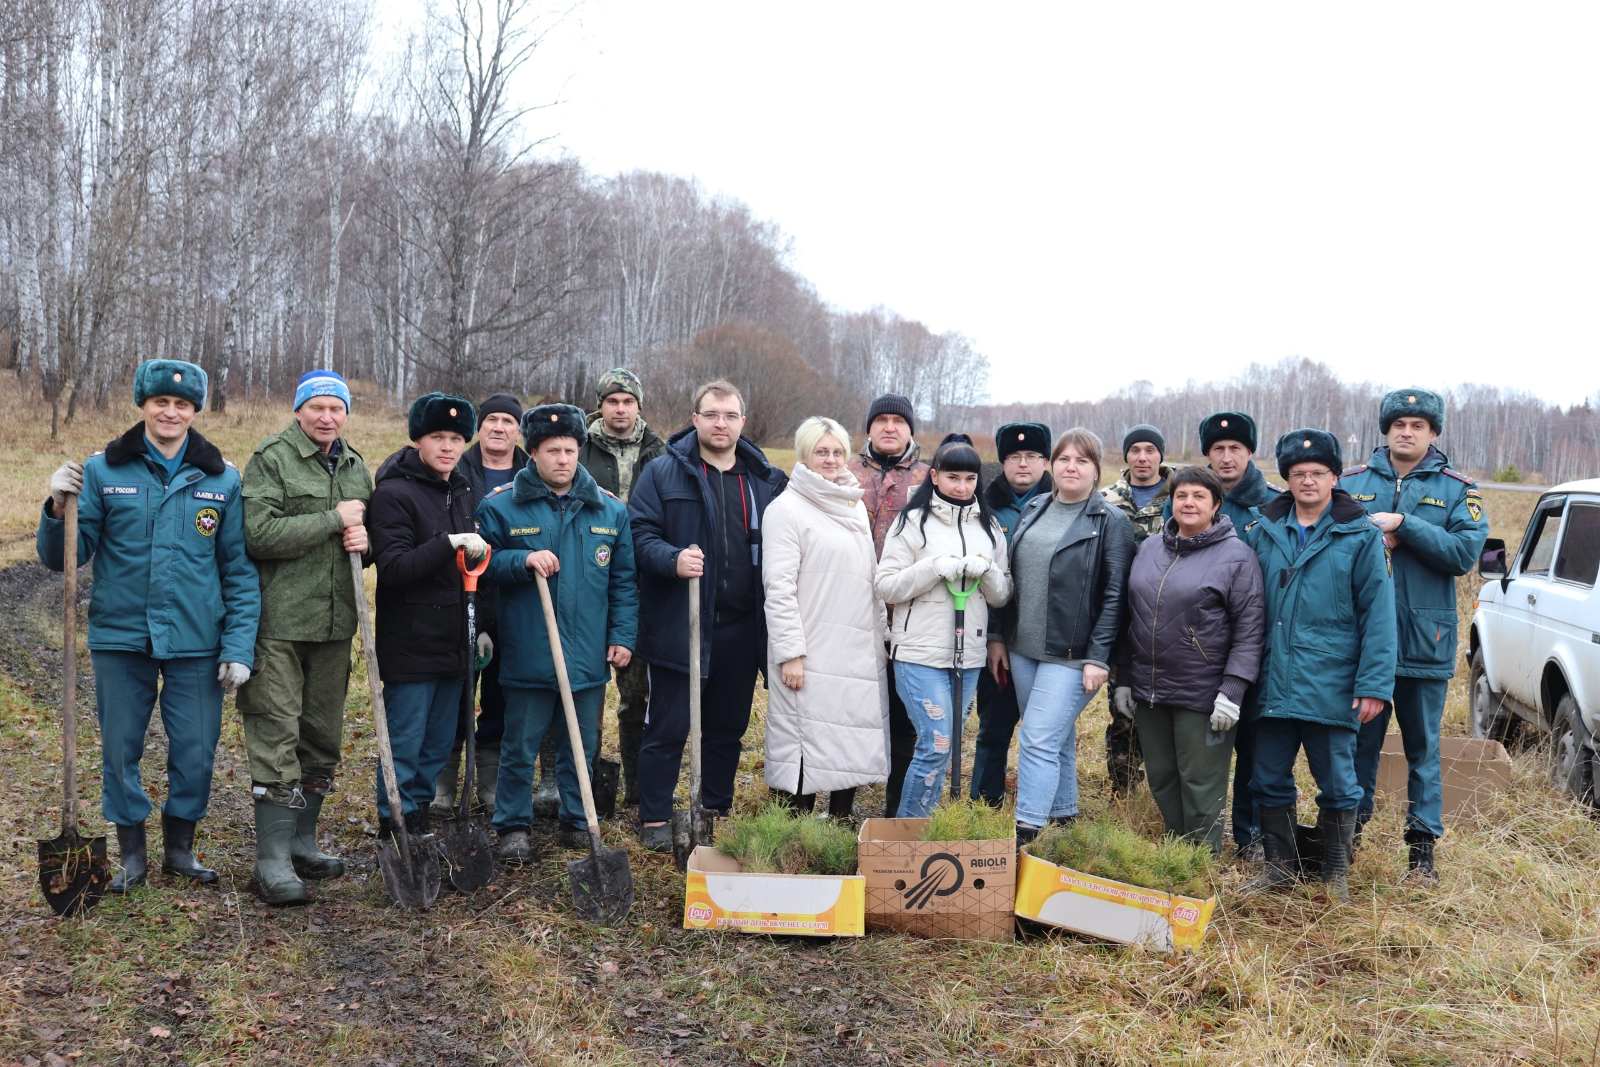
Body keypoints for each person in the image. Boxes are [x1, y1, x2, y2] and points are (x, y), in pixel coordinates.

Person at [38, 359, 259, 893]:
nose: (170, 411)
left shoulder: (221, 478)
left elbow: (239, 572)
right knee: (119, 747)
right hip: (121, 637)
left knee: (196, 748)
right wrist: (55, 506)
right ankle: (132, 854)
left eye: (182, 404)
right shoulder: (103, 471)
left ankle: (179, 850)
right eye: (161, 402)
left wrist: (239, 647)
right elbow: (63, 557)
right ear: (143, 405)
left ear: (194, 412)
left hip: (195, 640)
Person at [629, 380, 786, 851]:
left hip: (742, 626)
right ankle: (655, 815)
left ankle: (713, 808)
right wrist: (671, 559)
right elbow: (638, 534)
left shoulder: (765, 479)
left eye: (730, 415)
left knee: (727, 727)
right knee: (669, 725)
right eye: (712, 414)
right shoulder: (662, 473)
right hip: (682, 622)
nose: (721, 423)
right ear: (694, 418)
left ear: (743, 421)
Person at [1240, 429, 1397, 901]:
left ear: (1334, 477)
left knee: (1339, 783)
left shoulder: (1360, 535)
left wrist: (1373, 685)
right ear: (1286, 479)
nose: (1308, 481)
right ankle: (1279, 869)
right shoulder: (1263, 531)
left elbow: (1379, 616)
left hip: (1333, 682)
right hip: (1272, 680)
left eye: (1318, 473)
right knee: (1267, 777)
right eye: (1298, 474)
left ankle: (1335, 874)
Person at [477, 404, 637, 860]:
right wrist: (520, 561)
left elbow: (624, 582)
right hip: (529, 650)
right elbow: (480, 565)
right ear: (533, 453)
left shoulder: (609, 510)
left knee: (581, 743)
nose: (563, 459)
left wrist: (623, 636)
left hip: (586, 653)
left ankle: (575, 815)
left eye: (570, 450)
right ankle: (512, 824)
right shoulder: (502, 507)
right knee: (520, 744)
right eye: (553, 451)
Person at [237, 369, 373, 906]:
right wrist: (330, 519)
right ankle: (270, 860)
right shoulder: (272, 459)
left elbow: (363, 540)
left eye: (335, 408)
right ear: (298, 411)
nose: (326, 417)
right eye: (316, 407)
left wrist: (368, 537)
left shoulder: (358, 466)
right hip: (282, 626)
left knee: (322, 738)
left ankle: (301, 841)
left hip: (336, 626)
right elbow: (258, 534)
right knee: (276, 735)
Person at [1341, 389, 1487, 884]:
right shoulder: (1351, 484)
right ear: (1386, 429)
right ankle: (1347, 837)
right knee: (1357, 743)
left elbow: (1464, 554)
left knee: (1423, 749)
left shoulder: (1455, 490)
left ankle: (1422, 850)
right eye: (1399, 423)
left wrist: (1407, 525)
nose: (1408, 431)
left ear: (1434, 433)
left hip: (1425, 640)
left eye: (1419, 425)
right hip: (1362, 643)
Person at [992, 429, 1134, 844]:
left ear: (1096, 471)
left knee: (1037, 738)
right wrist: (999, 637)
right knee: (1056, 737)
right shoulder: (1036, 507)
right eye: (1065, 459)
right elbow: (1011, 577)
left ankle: (1026, 835)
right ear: (1052, 466)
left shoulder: (1111, 522)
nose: (1072, 467)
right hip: (1023, 649)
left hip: (1073, 655)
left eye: (1083, 461)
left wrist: (1099, 657)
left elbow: (1115, 595)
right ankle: (1063, 822)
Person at [1114, 466, 1265, 853]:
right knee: (1163, 777)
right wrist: (1126, 678)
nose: (1189, 503)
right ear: (1171, 502)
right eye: (1182, 496)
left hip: (1203, 692)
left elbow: (1250, 629)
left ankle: (1202, 862)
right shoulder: (1149, 549)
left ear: (1216, 504)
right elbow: (1130, 617)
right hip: (1150, 690)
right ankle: (1177, 854)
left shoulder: (1236, 557)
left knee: (1199, 782)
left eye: (1199, 496)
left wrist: (1232, 690)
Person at [368, 394, 486, 836]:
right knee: (405, 743)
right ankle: (393, 823)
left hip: (454, 643)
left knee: (438, 744)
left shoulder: (464, 489)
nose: (448, 447)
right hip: (411, 643)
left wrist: (482, 632)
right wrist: (448, 544)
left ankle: (417, 818)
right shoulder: (395, 493)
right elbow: (394, 568)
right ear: (418, 439)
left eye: (456, 438)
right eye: (438, 437)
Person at [876, 434, 1011, 818]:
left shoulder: (989, 527)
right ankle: (909, 834)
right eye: (953, 477)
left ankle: (934, 827)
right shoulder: (912, 523)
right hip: (919, 653)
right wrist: (934, 567)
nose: (962, 486)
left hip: (968, 656)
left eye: (970, 479)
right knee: (935, 743)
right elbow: (886, 585)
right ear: (935, 477)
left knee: (949, 745)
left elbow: (1002, 594)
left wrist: (987, 574)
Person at [762, 416, 888, 819]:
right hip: (811, 648)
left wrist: (881, 634)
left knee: (847, 740)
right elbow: (778, 588)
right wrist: (790, 653)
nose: (831, 460)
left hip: (854, 648)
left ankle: (839, 821)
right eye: (821, 451)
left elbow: (869, 576)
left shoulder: (852, 506)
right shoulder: (786, 509)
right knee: (806, 742)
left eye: (837, 452)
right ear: (804, 455)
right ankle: (797, 831)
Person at [1184, 411, 1283, 857]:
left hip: (1258, 644)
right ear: (1208, 455)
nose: (1226, 458)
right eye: (1218, 450)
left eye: (1235, 449)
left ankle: (1250, 835)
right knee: (1201, 747)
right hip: (1201, 652)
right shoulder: (1188, 500)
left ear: (1250, 453)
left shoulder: (1275, 506)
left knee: (1255, 748)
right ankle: (1198, 831)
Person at [576, 369, 667, 808]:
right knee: (585, 688)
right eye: (612, 401)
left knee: (637, 696)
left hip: (643, 584)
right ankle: (581, 786)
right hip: (589, 579)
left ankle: (636, 787)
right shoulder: (580, 448)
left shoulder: (660, 451)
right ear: (601, 405)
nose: (620, 409)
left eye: (628, 402)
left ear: (638, 406)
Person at [435, 392, 527, 816]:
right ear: (480, 427)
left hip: (511, 600)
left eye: (508, 421)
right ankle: (444, 779)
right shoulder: (459, 469)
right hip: (459, 599)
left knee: (501, 696)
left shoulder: (531, 472)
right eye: (491, 420)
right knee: (455, 692)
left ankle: (489, 778)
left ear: (518, 430)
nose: (499, 428)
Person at [848, 392, 930, 816]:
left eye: (898, 421)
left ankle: (896, 807)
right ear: (869, 428)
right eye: (880, 420)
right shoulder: (844, 472)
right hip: (851, 613)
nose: (889, 428)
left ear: (910, 429)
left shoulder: (929, 478)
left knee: (904, 717)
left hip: (909, 617)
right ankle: (838, 803)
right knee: (851, 710)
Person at [971, 420, 1052, 806]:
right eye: (1015, 457)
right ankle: (985, 802)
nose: (1024, 464)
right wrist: (995, 637)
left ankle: (1047, 808)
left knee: (1049, 732)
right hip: (997, 634)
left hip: (1049, 639)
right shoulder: (982, 505)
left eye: (1033, 456)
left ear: (1046, 461)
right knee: (994, 726)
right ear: (1002, 462)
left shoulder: (1063, 501)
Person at [1099, 424, 1169, 795]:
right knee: (1122, 710)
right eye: (1135, 450)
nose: (1143, 457)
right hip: (1120, 620)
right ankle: (1123, 792)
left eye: (1150, 450)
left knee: (1162, 711)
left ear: (1161, 454)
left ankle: (1162, 790)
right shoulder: (1106, 499)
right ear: (1126, 455)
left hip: (1168, 621)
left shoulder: (1182, 495)